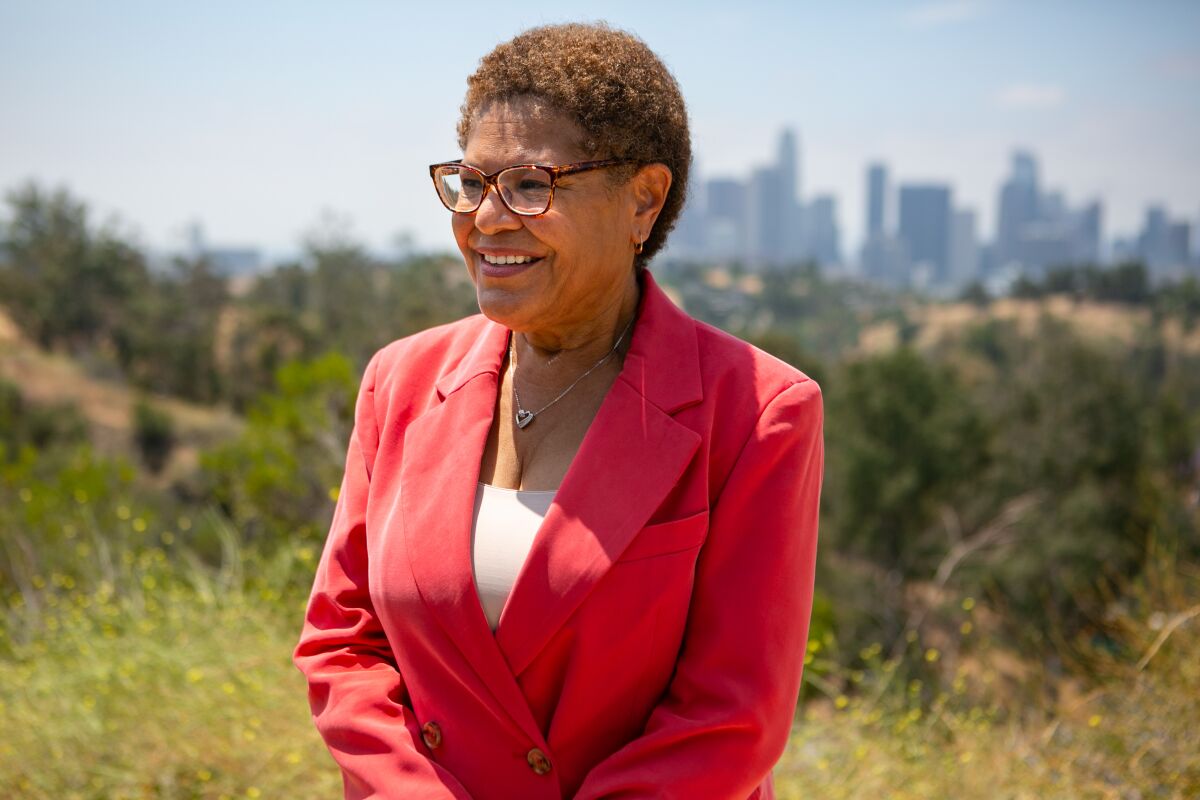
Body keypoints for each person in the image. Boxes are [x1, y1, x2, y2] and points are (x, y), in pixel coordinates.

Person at [293, 22, 823, 800]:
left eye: (532, 185)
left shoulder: (757, 412)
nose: (488, 219)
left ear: (643, 199)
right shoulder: (398, 381)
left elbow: (730, 717)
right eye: (472, 183)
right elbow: (344, 642)